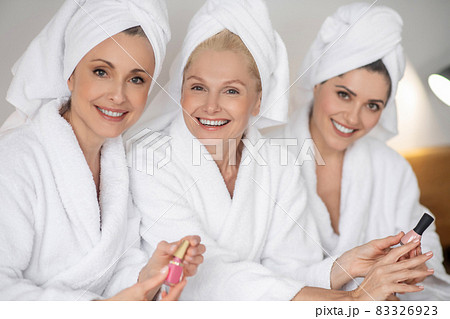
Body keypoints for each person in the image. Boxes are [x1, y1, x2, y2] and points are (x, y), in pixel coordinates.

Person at [129, 0, 431, 300]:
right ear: (180, 89)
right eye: (197, 87)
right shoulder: (149, 159)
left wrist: (341, 268)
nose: (210, 105)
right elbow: (206, 275)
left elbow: (290, 271)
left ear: (259, 100)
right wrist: (352, 301)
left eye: (232, 90)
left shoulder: (278, 162)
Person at [0, 0, 204, 300]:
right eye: (101, 72)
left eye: (136, 79)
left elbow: (113, 268)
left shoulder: (117, 164)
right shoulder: (15, 160)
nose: (118, 95)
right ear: (70, 75)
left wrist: (147, 278)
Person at [282, 2, 450, 300]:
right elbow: (257, 279)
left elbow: (431, 270)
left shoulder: (391, 168)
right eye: (344, 95)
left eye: (372, 106)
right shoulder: (264, 158)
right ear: (318, 83)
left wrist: (402, 280)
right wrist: (356, 291)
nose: (353, 118)